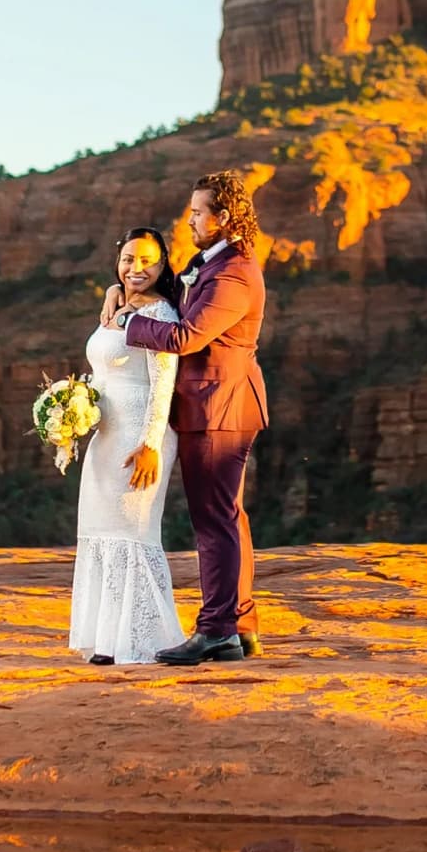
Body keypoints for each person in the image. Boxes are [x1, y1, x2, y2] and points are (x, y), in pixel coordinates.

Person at [111, 171, 268, 668]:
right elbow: (177, 305)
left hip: (219, 408)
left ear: (223, 218)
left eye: (198, 212)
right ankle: (240, 626)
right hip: (216, 404)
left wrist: (128, 323)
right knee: (228, 518)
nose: (191, 219)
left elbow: (186, 338)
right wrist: (122, 292)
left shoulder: (235, 274)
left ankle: (217, 631)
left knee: (213, 521)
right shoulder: (212, 264)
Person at [68, 228, 188, 666]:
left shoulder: (162, 315)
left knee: (133, 533)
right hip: (106, 435)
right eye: (128, 260)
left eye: (147, 261)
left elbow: (164, 384)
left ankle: (143, 640)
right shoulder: (117, 304)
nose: (136, 269)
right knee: (101, 531)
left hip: (140, 433)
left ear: (162, 267)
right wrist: (74, 412)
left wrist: (151, 443)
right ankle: (108, 641)